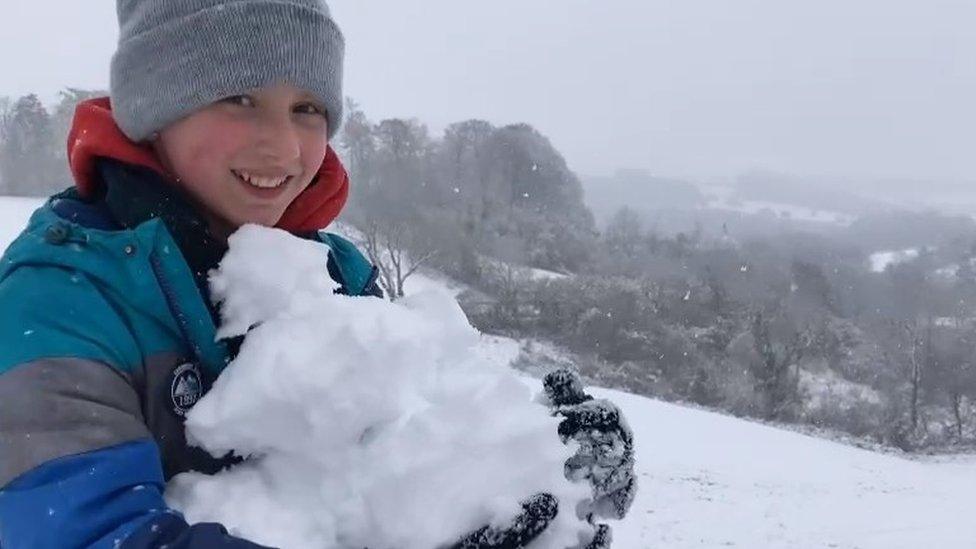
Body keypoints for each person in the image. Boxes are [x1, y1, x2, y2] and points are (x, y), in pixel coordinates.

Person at [0, 1, 635, 547]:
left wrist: (536, 464)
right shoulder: (58, 297)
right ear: (154, 109)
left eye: (307, 107)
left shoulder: (339, 275)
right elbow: (87, 534)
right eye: (239, 97)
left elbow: (400, 446)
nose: (282, 146)